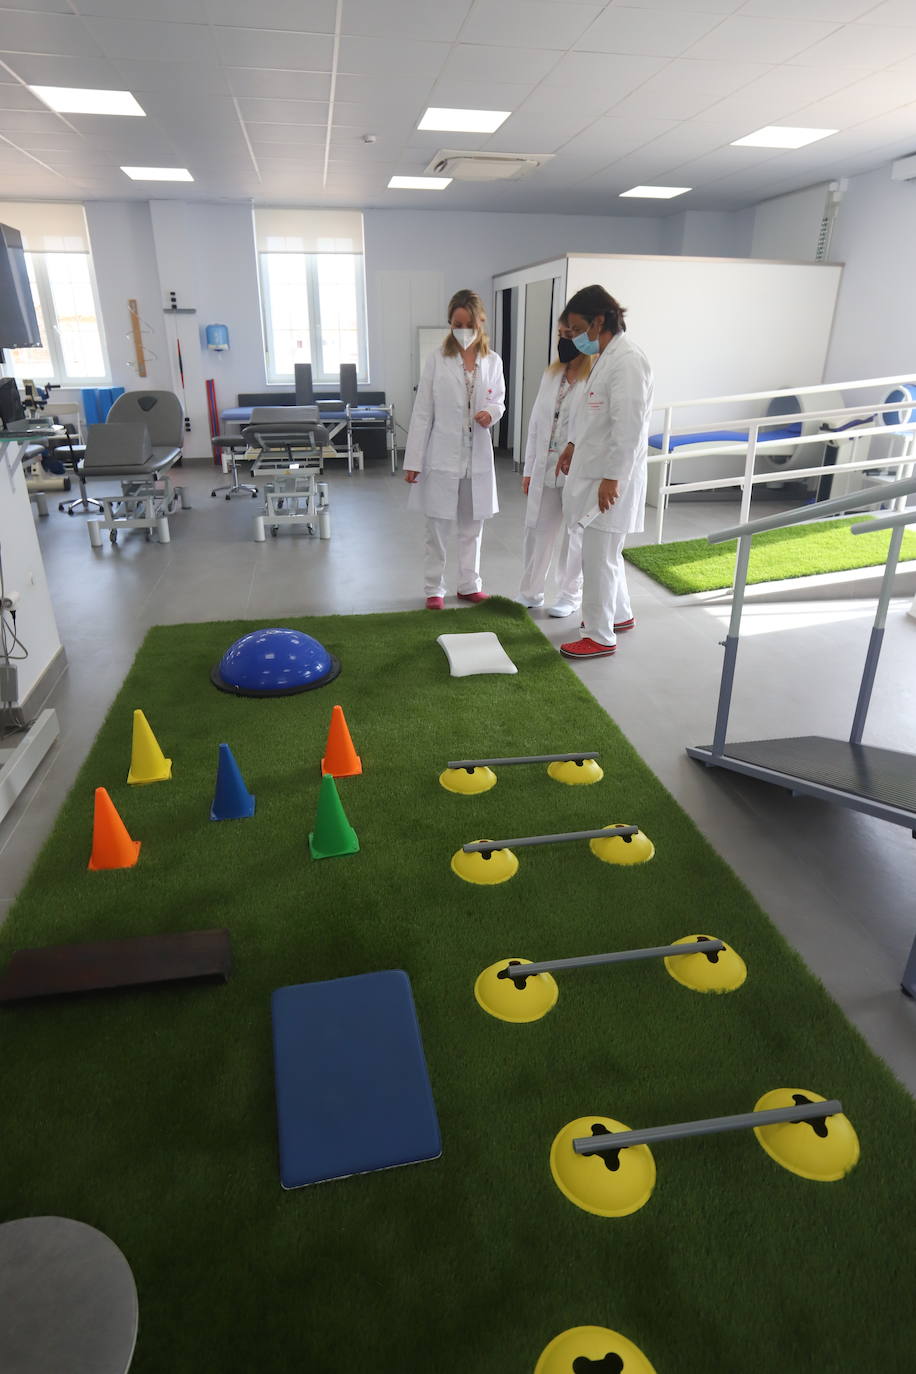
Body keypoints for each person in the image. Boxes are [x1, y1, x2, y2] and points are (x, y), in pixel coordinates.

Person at [554, 284, 653, 660]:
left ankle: (599, 635)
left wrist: (613, 478)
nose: (576, 336)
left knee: (598, 559)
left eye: (578, 328)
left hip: (608, 481)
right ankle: (621, 615)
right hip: (597, 473)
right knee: (606, 554)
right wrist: (574, 444)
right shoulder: (609, 357)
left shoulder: (627, 361)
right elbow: (597, 417)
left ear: (600, 321)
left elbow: (628, 426)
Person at [403, 289, 506, 609]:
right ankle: (434, 588)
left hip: (476, 456)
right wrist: (414, 460)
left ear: (480, 321)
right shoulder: (438, 359)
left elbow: (498, 399)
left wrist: (491, 412)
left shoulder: (492, 361)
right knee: (437, 527)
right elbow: (422, 412)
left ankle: (468, 583)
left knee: (472, 526)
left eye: (466, 323)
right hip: (442, 455)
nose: (460, 330)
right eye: (454, 324)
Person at [518, 312, 592, 617]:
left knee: (574, 534)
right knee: (538, 530)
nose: (564, 339)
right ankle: (531, 591)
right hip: (545, 466)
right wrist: (528, 468)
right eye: (561, 333)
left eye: (571, 333)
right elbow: (536, 423)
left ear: (586, 337)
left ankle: (569, 595)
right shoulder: (551, 375)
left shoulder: (595, 377)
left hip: (577, 470)